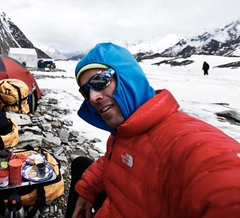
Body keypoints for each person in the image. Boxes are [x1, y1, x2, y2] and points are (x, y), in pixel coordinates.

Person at [65, 43, 240, 218]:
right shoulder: (125, 132)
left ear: (127, 78)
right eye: (86, 92)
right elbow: (114, 159)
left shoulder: (182, 139)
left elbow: (221, 176)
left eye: (99, 81)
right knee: (80, 163)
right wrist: (87, 189)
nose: (93, 97)